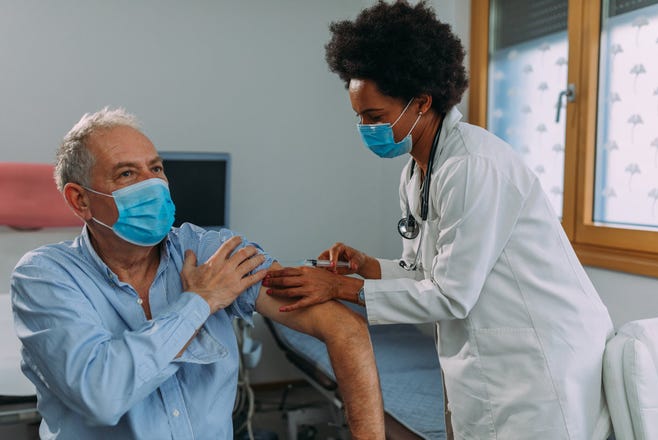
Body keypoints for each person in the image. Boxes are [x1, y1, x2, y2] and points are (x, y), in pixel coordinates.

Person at [263, 2, 615, 439]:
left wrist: (338, 288)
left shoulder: (473, 167)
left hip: (538, 364)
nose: (364, 127)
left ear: (422, 102)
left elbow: (450, 295)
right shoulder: (417, 171)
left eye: (373, 116)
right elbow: (423, 272)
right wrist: (365, 266)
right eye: (358, 116)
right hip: (488, 363)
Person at [10, 107, 385, 440]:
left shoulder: (210, 252)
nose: (152, 184)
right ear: (81, 200)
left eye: (155, 168)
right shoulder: (46, 277)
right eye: (127, 173)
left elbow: (344, 329)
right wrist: (199, 302)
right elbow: (102, 396)